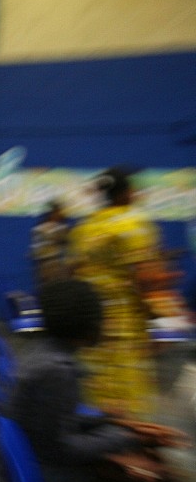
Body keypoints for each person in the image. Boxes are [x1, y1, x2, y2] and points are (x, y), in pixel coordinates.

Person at [7, 279, 186, 482]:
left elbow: (58, 422)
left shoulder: (45, 353)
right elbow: (62, 448)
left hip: (42, 460)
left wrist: (119, 426)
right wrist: (124, 439)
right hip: (52, 477)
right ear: (85, 324)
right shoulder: (57, 371)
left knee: (144, 462)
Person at [67, 166, 163, 417]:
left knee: (97, 391)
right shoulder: (134, 223)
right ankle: (126, 447)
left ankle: (100, 443)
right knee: (127, 399)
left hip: (92, 325)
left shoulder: (84, 228)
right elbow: (146, 280)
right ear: (127, 192)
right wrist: (159, 320)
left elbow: (73, 274)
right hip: (125, 328)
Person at [30, 200, 71, 288]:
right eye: (59, 211)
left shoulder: (37, 228)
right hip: (53, 267)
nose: (62, 214)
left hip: (42, 267)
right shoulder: (59, 228)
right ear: (53, 212)